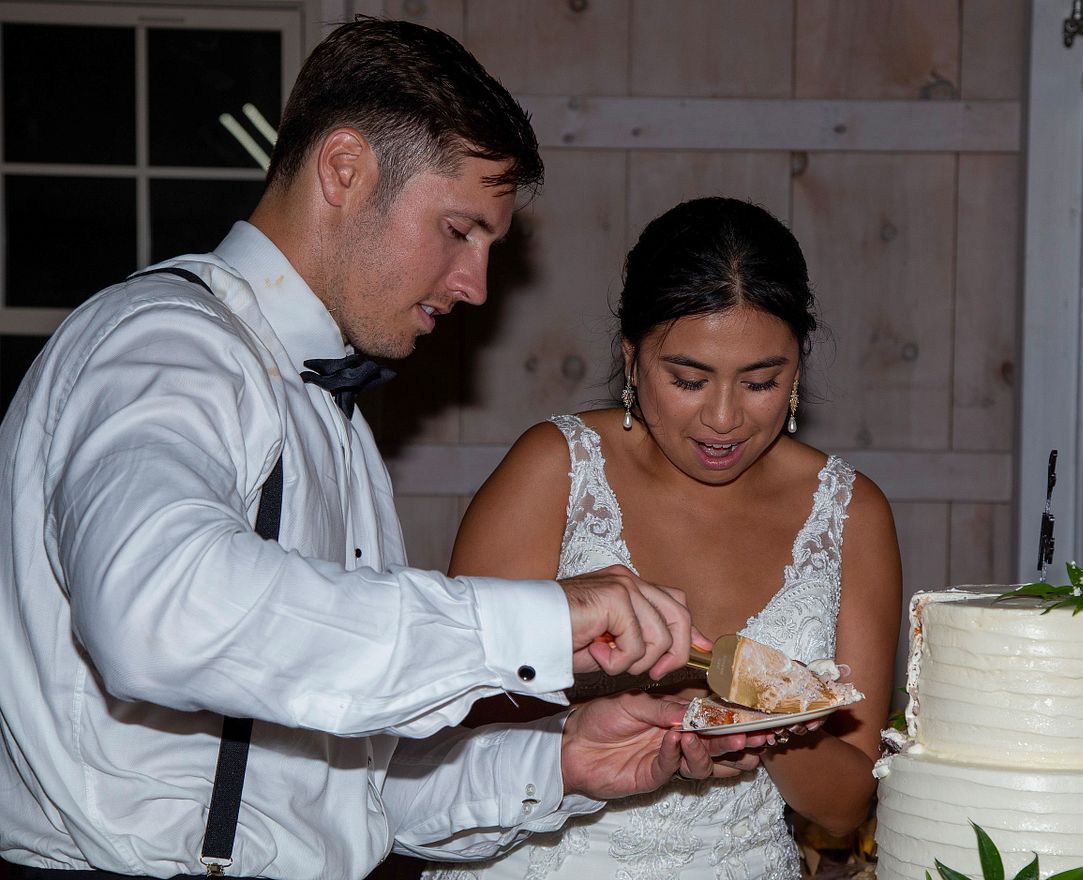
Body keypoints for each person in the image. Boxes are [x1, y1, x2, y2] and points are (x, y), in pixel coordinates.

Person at [0, 21, 764, 880]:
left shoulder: (336, 421)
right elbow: (157, 610)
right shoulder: (161, 344)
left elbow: (345, 801)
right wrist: (542, 617)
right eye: (460, 229)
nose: (476, 285)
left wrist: (564, 761)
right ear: (345, 170)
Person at [423, 197, 903, 880]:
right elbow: (454, 725)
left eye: (762, 381)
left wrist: (760, 722)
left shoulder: (849, 512)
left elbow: (845, 807)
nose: (724, 419)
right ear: (631, 358)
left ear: (797, 371)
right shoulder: (556, 470)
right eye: (687, 379)